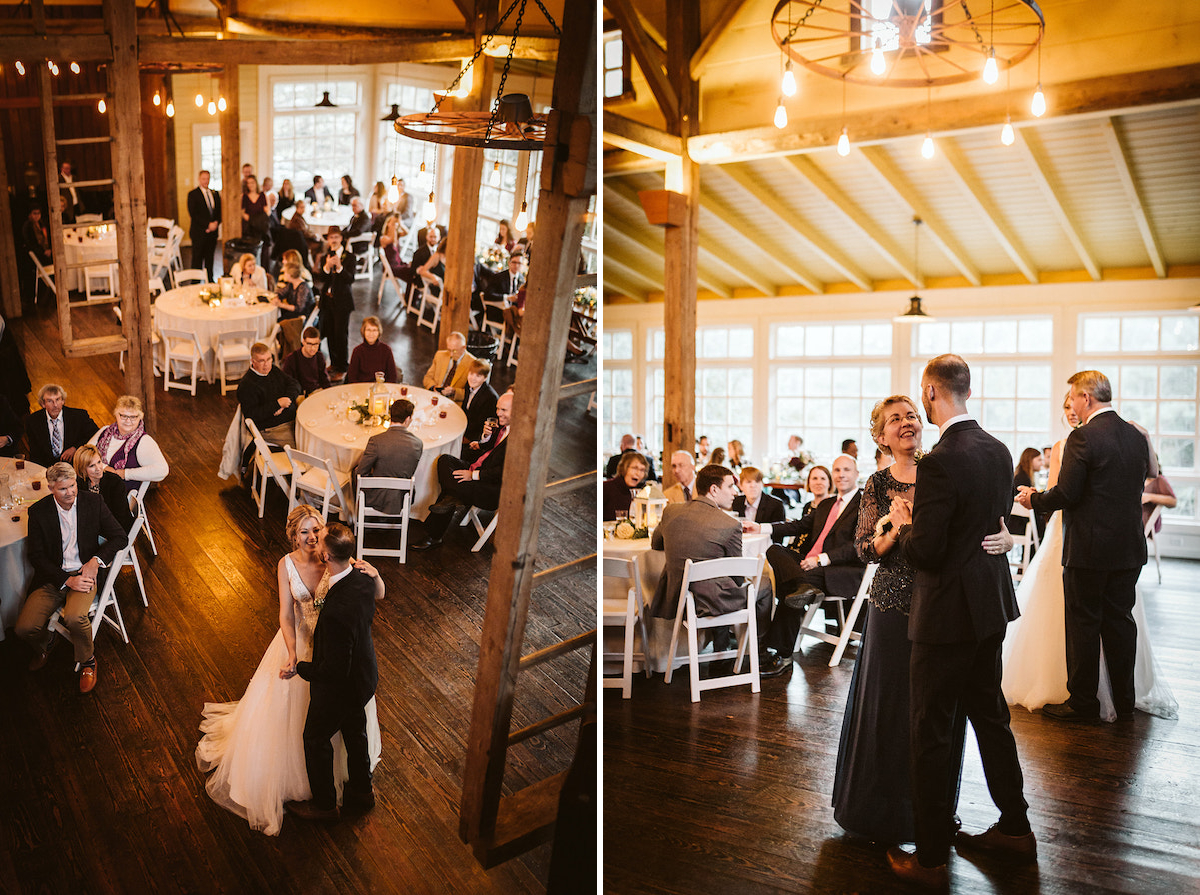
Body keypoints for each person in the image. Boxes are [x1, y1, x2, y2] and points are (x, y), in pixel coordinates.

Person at [832, 395, 1012, 845]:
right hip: (893, 605)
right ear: (880, 436)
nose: (906, 423)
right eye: (895, 420)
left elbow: (975, 523)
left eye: (911, 415)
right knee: (891, 710)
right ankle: (882, 813)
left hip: (945, 608)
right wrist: (894, 530)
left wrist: (1004, 536)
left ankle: (930, 816)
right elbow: (862, 549)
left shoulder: (943, 466)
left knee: (936, 716)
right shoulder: (875, 484)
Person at [887, 354, 1033, 887]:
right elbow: (991, 523)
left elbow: (926, 551)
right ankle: (1016, 829)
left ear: (930, 393)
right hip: (988, 606)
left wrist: (904, 525)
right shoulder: (998, 449)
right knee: (991, 719)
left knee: (929, 729)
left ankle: (927, 860)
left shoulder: (939, 460)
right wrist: (1001, 538)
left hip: (946, 615)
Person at [198, 507, 383, 834]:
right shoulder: (288, 564)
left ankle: (329, 802)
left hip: (331, 659)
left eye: (316, 531)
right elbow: (286, 614)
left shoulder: (341, 562)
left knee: (323, 730)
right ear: (293, 535)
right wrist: (293, 652)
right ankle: (357, 789)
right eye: (305, 533)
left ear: (326, 544)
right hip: (304, 642)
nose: (311, 538)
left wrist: (377, 574)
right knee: (342, 723)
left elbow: (366, 595)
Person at [1011, 383, 1174, 722]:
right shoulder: (1135, 435)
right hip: (1128, 548)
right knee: (1120, 623)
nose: (1070, 403)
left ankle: (1083, 704)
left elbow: (1068, 493)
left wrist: (1035, 500)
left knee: (1083, 624)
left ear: (1086, 397)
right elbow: (1148, 476)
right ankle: (1125, 700)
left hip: (1089, 548)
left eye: (1072, 397)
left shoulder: (1082, 438)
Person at [283, 522, 381, 823]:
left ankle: (325, 807)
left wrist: (299, 668)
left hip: (342, 684)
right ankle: (363, 791)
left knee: (314, 737)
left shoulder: (337, 610)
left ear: (326, 557)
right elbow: (379, 593)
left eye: (320, 539)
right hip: (365, 675)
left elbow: (332, 670)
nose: (313, 539)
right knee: (355, 728)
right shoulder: (364, 579)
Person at [749, 454, 866, 677]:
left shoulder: (864, 505)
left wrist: (820, 559)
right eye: (837, 470)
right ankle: (801, 589)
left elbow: (857, 546)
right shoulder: (826, 504)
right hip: (809, 566)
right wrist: (760, 527)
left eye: (846, 470)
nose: (841, 474)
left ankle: (780, 654)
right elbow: (798, 526)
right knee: (774, 550)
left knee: (793, 590)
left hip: (837, 569)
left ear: (856, 475)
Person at [17, 462, 127, 694]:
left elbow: (120, 537)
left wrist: (94, 561)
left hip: (84, 573)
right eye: (63, 489)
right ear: (50, 488)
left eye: (73, 485)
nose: (71, 492)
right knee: (24, 628)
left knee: (76, 618)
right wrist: (66, 580)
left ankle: (88, 661)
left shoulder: (93, 502)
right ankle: (45, 643)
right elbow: (36, 556)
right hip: (54, 578)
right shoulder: (38, 512)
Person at [411, 393, 512, 551]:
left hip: (491, 488)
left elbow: (503, 471)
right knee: (445, 460)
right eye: (498, 408)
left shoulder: (518, 439)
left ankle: (434, 536)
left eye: (503, 410)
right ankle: (453, 496)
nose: (498, 413)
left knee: (455, 486)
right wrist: (485, 438)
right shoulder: (502, 426)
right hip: (478, 467)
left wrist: (472, 475)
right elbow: (491, 448)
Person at [647, 464, 743, 622]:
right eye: (731, 486)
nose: (735, 492)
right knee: (765, 586)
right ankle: (755, 643)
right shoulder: (731, 525)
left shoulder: (670, 511)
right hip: (712, 601)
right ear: (714, 490)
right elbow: (738, 577)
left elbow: (656, 544)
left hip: (674, 598)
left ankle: (723, 641)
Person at [87, 395, 169, 494]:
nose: (128, 421)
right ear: (116, 415)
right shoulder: (105, 431)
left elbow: (162, 470)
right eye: (124, 416)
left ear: (140, 417)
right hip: (93, 487)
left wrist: (126, 474)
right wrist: (105, 468)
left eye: (133, 417)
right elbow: (84, 455)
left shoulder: (144, 441)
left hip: (118, 496)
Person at [353, 400, 422, 514]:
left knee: (354, 471)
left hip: (376, 498)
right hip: (402, 498)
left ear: (391, 415)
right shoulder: (418, 443)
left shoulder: (376, 440)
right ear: (407, 419)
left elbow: (360, 472)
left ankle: (357, 513)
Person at [238, 343, 301, 447]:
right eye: (262, 361)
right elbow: (251, 415)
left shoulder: (273, 370)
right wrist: (277, 404)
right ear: (252, 361)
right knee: (303, 446)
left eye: (269, 359)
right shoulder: (246, 385)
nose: (266, 364)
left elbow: (295, 384)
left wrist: (287, 399)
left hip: (291, 419)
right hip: (272, 429)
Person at [26, 383, 99, 468]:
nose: (55, 405)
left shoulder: (79, 416)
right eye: (50, 401)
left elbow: (96, 433)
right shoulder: (32, 421)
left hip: (74, 466)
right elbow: (35, 453)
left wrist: (75, 448)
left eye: (58, 399)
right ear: (43, 404)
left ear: (63, 401)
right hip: (45, 467)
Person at [317, 226, 356, 381]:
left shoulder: (350, 257)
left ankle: (342, 367)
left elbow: (350, 279)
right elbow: (321, 279)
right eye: (331, 237)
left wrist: (339, 267)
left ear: (341, 239)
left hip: (342, 302)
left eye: (336, 237)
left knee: (341, 334)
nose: (333, 240)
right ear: (328, 240)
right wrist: (327, 267)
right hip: (327, 301)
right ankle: (333, 363)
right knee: (330, 333)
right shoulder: (324, 257)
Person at [72, 444, 133, 531]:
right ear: (82, 469)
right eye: (92, 466)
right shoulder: (81, 482)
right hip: (93, 527)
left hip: (115, 529)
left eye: (99, 462)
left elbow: (120, 517)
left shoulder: (115, 482)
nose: (98, 468)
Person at [272, 261, 314, 358]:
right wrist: (277, 296)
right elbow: (282, 292)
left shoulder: (302, 287)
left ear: (290, 274)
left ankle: (287, 352)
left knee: (278, 323)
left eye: (285, 272)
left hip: (302, 317)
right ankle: (283, 350)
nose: (284, 274)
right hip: (295, 313)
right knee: (277, 321)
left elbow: (299, 308)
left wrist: (280, 304)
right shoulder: (291, 284)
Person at [187, 169, 221, 281]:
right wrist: (207, 225)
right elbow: (194, 214)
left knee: (210, 258)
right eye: (203, 179)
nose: (206, 181)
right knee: (197, 259)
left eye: (207, 179)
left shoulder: (215, 194)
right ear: (199, 179)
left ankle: (210, 280)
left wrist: (216, 223)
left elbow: (219, 212)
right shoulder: (193, 194)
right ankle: (195, 282)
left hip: (212, 233)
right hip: (199, 232)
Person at [422, 331, 475, 402]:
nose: (451, 354)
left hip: (453, 402)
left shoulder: (472, 363)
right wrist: (434, 387)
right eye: (449, 350)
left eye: (455, 351)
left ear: (464, 348)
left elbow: (473, 393)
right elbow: (427, 378)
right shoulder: (440, 355)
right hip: (435, 397)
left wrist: (454, 391)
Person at [346, 316, 399, 384]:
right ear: (363, 331)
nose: (371, 334)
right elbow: (352, 377)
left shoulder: (386, 350)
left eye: (374, 330)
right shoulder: (357, 351)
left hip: (381, 389)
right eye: (368, 330)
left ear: (379, 332)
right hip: (361, 388)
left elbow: (392, 377)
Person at [281, 326, 331, 396]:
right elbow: (287, 384)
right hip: (300, 394)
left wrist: (330, 393)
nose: (312, 348)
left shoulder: (319, 356)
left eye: (316, 344)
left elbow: (324, 379)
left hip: (317, 391)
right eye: (309, 344)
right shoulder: (292, 359)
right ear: (303, 341)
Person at [460, 359, 498, 445]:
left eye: (478, 376)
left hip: (476, 437)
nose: (473, 378)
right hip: (466, 427)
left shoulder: (490, 397)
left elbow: (480, 425)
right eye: (471, 374)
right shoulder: (469, 385)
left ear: (485, 378)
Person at [603, 451, 648, 522]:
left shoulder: (637, 493)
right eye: (634, 468)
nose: (638, 473)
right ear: (624, 468)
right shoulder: (605, 488)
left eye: (642, 470)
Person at [242, 175, 270, 249]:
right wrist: (253, 221)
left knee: (264, 249)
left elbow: (267, 212)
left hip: (261, 227)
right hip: (250, 228)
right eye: (248, 183)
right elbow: (243, 214)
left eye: (252, 183)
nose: (250, 185)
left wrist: (257, 221)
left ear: (256, 183)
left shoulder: (262, 195)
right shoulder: (245, 197)